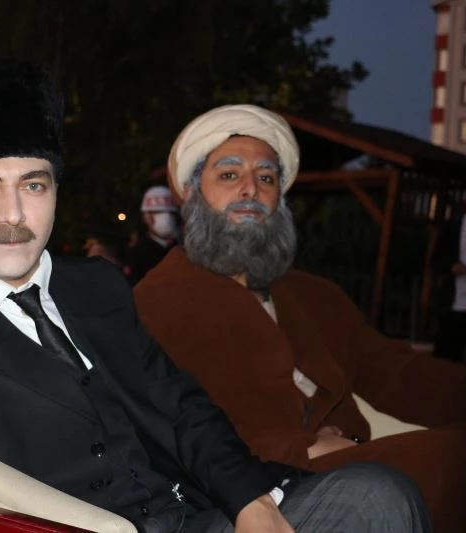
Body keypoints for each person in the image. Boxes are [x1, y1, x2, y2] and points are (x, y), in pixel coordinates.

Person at [0, 62, 430, 533]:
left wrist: (250, 500)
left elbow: (178, 405)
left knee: (381, 492)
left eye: (34, 184)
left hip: (197, 513)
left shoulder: (94, 284)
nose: (14, 213)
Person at [133, 104, 466, 532]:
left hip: (348, 463)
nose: (250, 189)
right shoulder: (155, 301)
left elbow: (402, 375)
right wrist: (304, 449)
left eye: (267, 177)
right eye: (229, 175)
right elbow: (168, 430)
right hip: (245, 495)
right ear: (192, 194)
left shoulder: (317, 296)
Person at [126, 185, 179, 284]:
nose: (166, 217)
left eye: (170, 213)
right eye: (158, 212)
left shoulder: (182, 248)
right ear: (145, 217)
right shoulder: (137, 254)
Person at [432, 212, 466, 363]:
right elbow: (435, 260)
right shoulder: (453, 226)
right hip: (454, 307)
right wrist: (451, 266)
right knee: (446, 363)